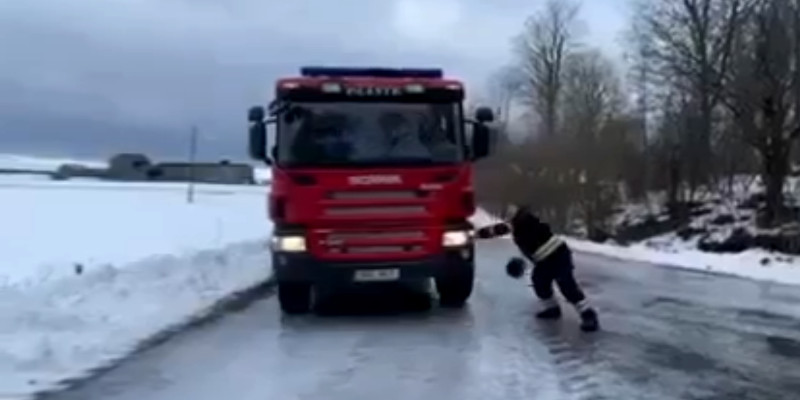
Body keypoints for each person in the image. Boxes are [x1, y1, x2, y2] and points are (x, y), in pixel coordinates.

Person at [475, 204, 600, 332]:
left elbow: (509, 231)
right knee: (539, 282)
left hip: (558, 256)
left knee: (567, 286)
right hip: (544, 261)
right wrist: (477, 234)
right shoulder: (517, 224)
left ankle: (589, 315)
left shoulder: (527, 221)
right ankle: (553, 309)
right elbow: (499, 230)